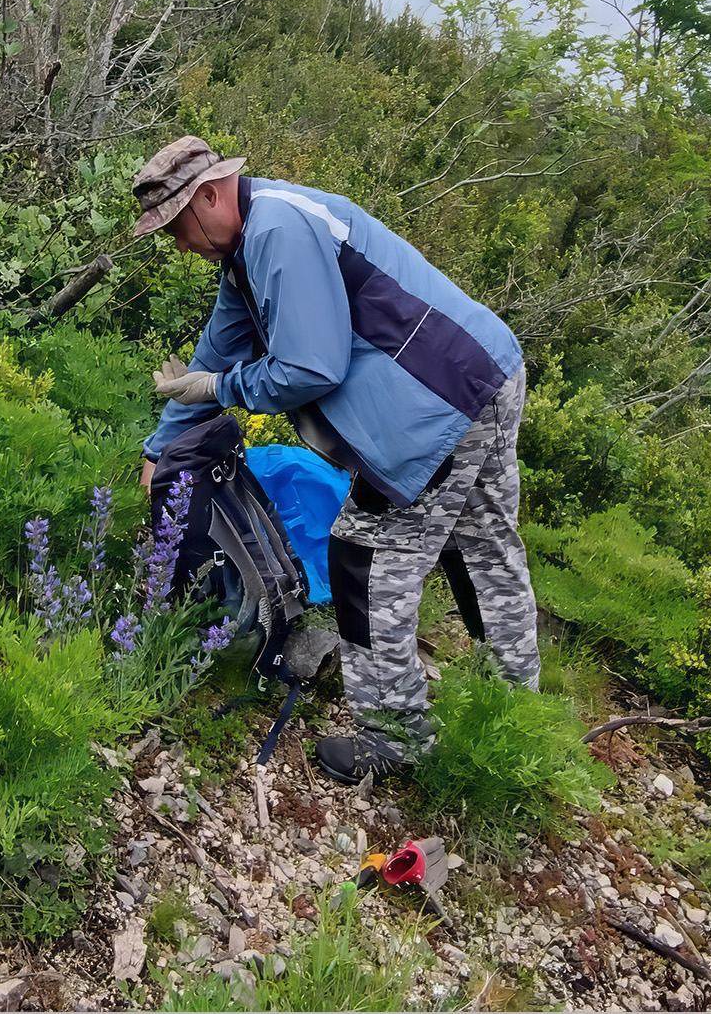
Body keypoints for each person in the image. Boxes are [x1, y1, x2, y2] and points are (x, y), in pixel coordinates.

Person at [130, 135, 539, 783]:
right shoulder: (250, 247)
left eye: (177, 227)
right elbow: (216, 351)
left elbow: (310, 367)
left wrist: (223, 389)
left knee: (363, 557)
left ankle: (396, 740)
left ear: (209, 195)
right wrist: (159, 450)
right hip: (484, 373)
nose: (179, 244)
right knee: (483, 547)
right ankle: (517, 727)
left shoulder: (277, 232)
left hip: (440, 406)